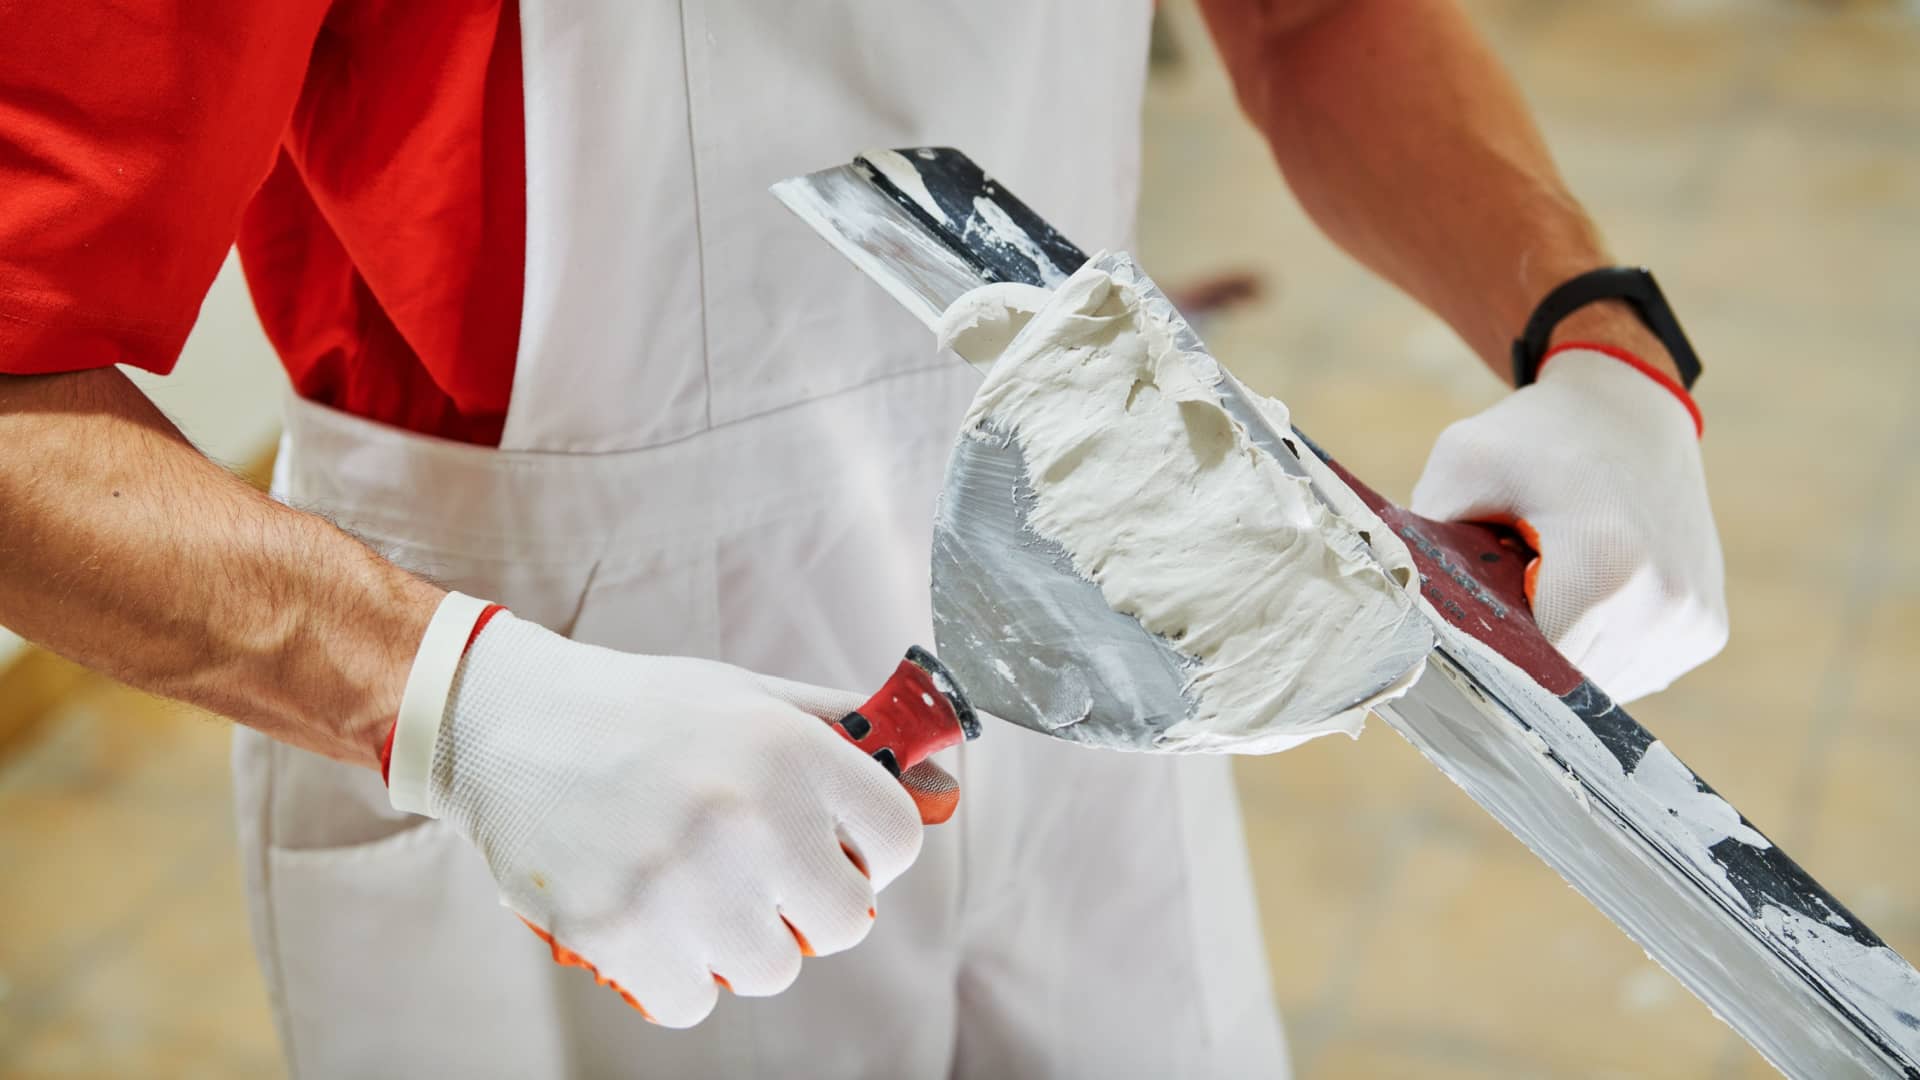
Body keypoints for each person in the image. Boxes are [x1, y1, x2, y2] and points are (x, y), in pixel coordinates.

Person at [0, 1, 1727, 1076]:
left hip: (1099, 614)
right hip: (582, 733)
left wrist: (1592, 328)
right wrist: (445, 701)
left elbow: (1310, 14)